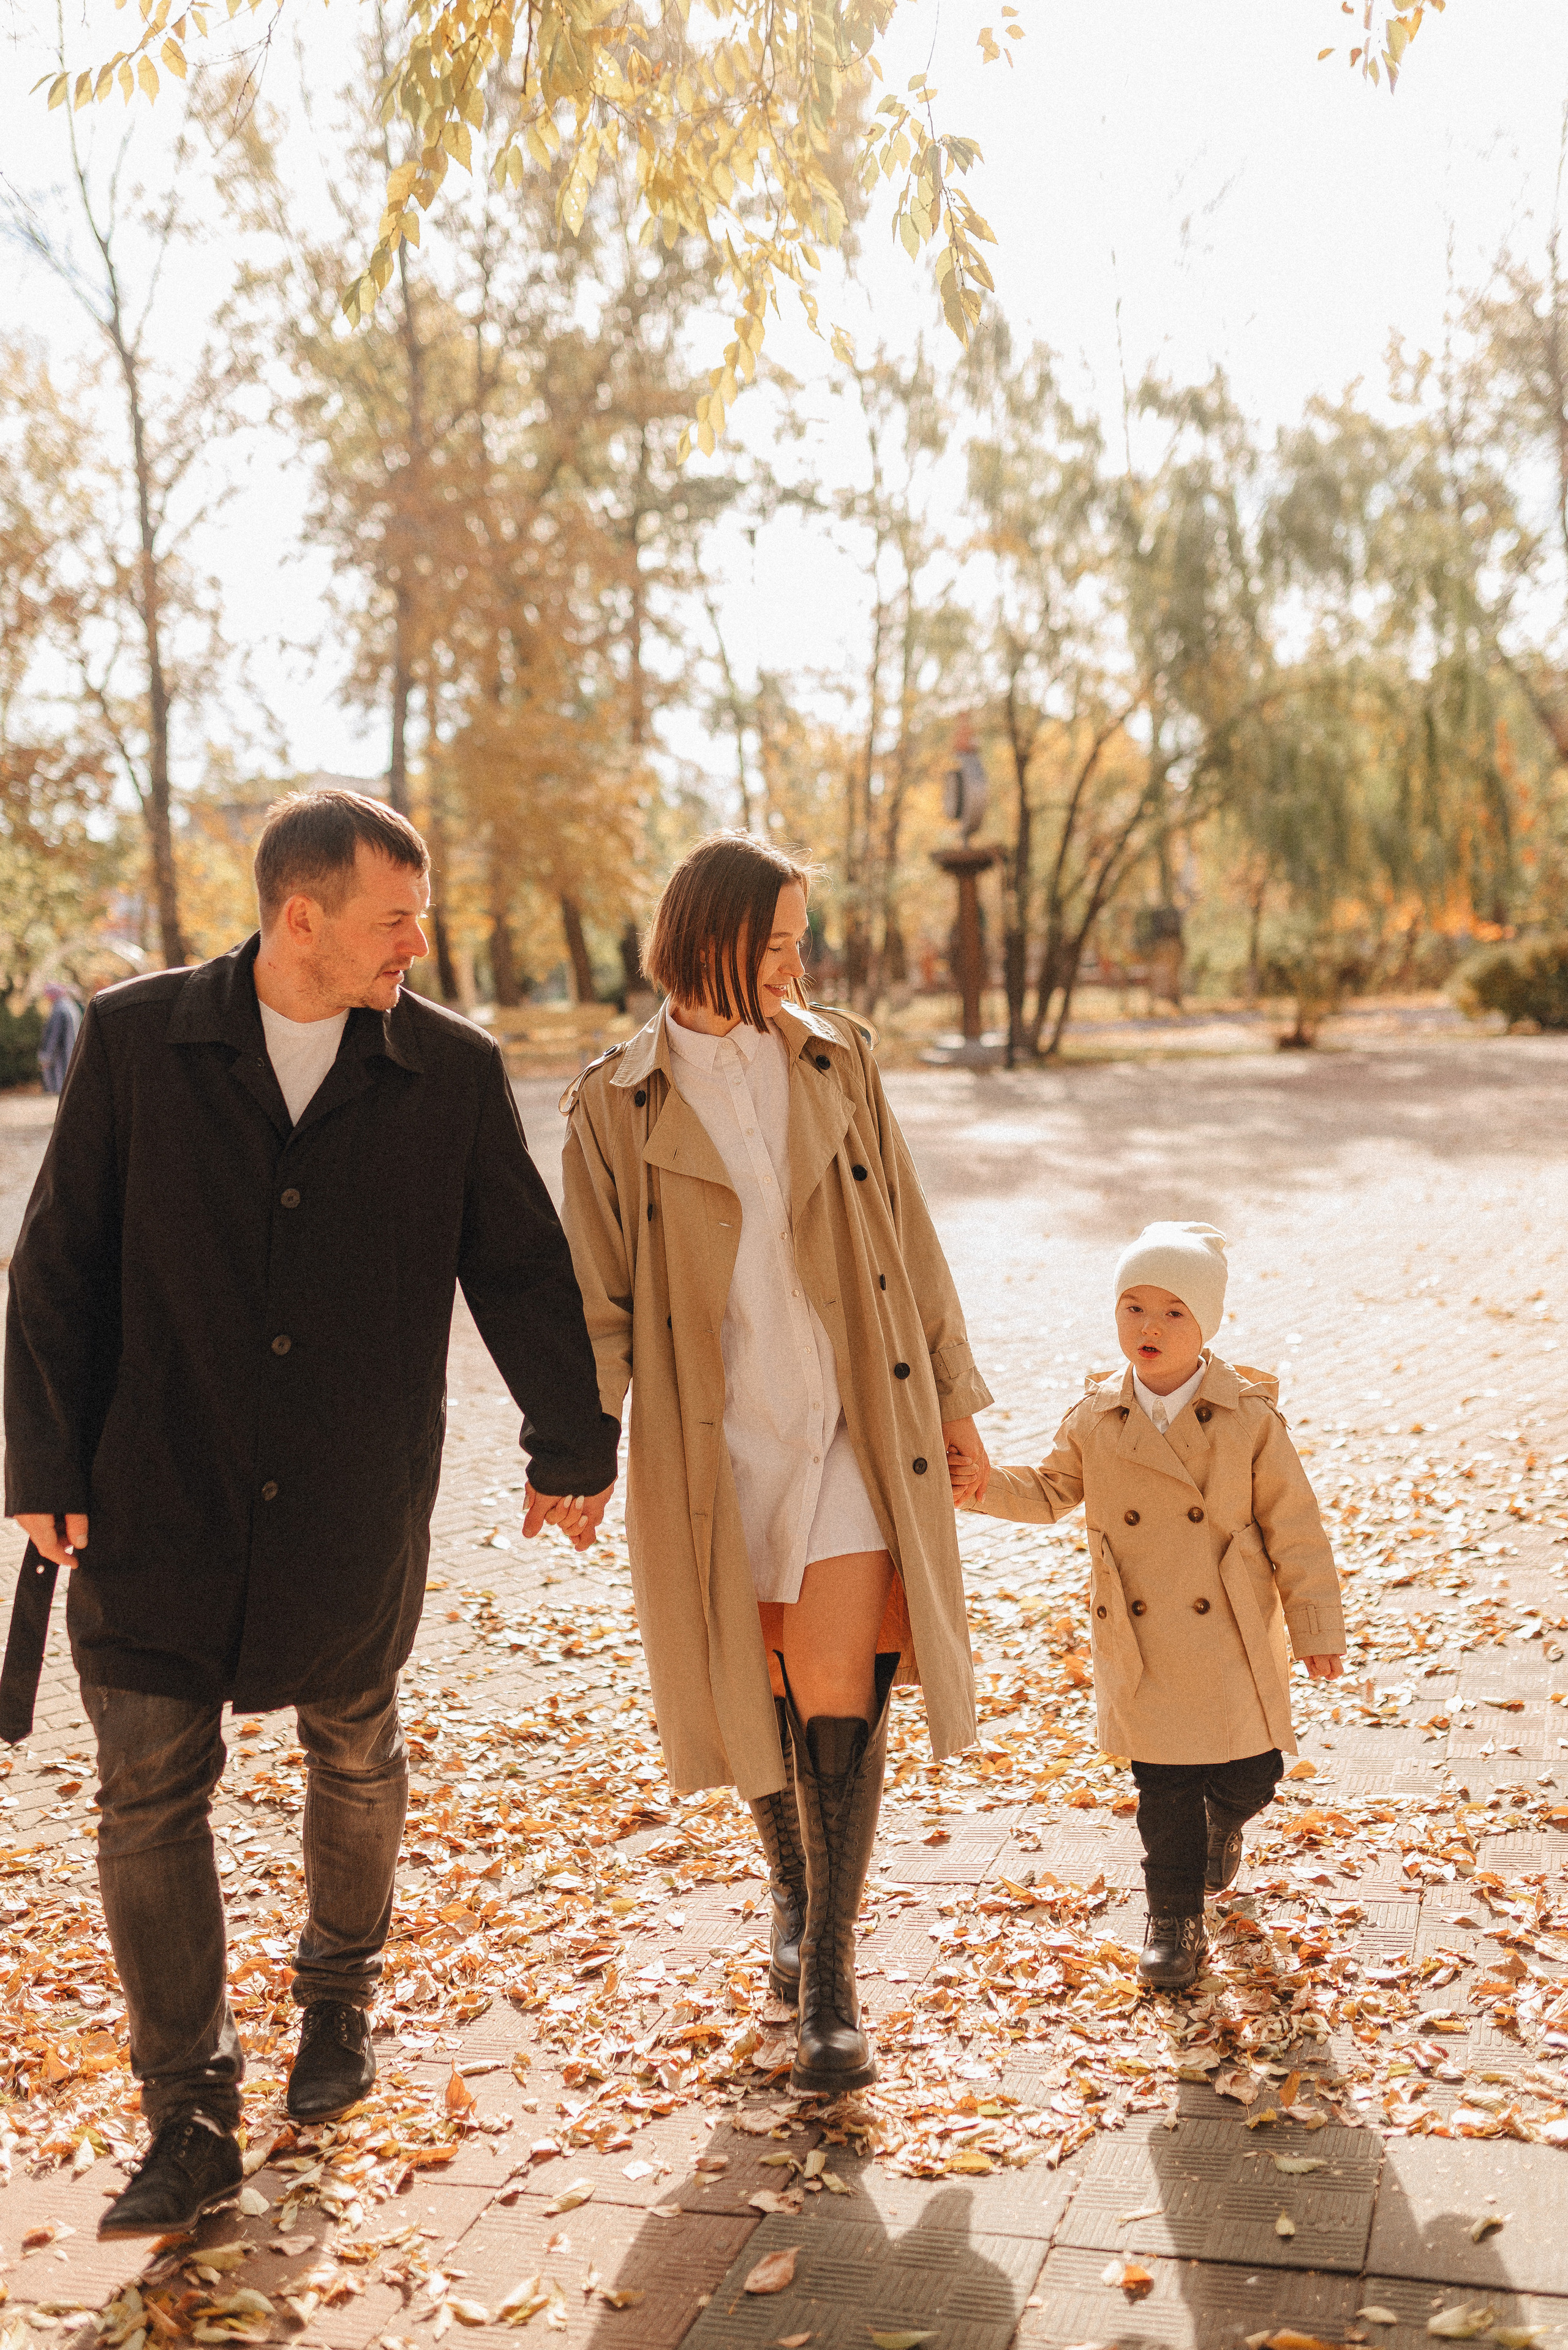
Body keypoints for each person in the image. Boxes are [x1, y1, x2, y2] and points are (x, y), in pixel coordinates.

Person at [2, 787, 618, 2237]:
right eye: (396, 916)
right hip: (155, 1490)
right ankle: (191, 2109)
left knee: (355, 1743)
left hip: (350, 1490)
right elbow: (58, 1261)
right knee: (148, 1792)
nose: (421, 938)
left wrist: (570, 1439)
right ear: (303, 917)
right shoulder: (141, 1040)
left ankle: (336, 1996)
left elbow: (518, 1265)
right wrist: (39, 1466)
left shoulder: (447, 1070)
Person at [558, 832, 991, 2096]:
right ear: (709, 940)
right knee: (759, 1688)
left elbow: (906, 1227)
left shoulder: (835, 1054)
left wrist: (953, 1397)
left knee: (841, 1687)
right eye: (779, 939)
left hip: (852, 1414)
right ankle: (792, 1892)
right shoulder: (612, 1101)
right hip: (714, 1436)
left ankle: (831, 1981)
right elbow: (598, 1304)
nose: (800, 959)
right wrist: (575, 1453)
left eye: (800, 938)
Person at [951, 1221, 1344, 1992]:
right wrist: (982, 1485)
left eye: (1171, 1312)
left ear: (1205, 1325)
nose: (1149, 1328)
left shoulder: (1249, 1419)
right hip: (1142, 1632)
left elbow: (1294, 1528)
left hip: (1230, 1627)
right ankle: (1172, 1919)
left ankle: (1221, 1824)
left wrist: (1314, 1627)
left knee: (1252, 1772)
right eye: (1133, 1308)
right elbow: (1054, 1489)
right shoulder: (1098, 1414)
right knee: (1162, 1784)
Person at [37, 984, 82, 1095]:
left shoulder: (59, 1009)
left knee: (59, 1081)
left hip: (60, 1052)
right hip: (71, 1047)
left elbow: (54, 1034)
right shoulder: (71, 1005)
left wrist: (47, 1055)